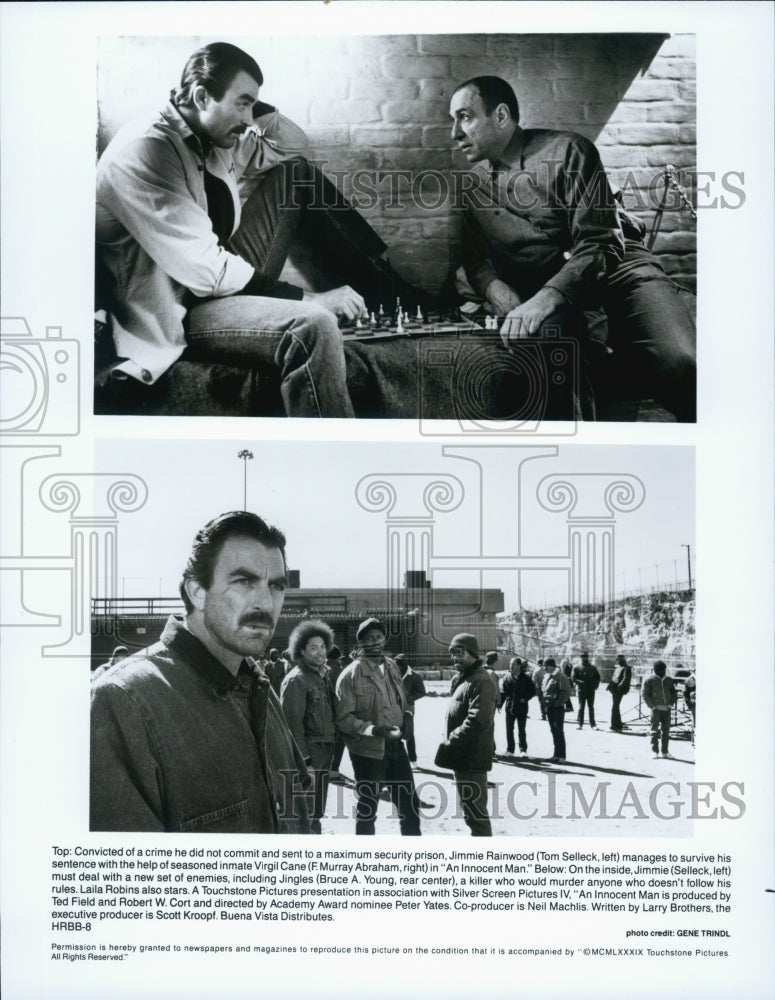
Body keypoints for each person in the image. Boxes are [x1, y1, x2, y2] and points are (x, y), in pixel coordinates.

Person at [96, 42, 430, 417]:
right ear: (202, 96)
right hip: (180, 305)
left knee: (295, 174)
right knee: (314, 324)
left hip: (215, 279)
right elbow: (207, 271)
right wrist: (310, 298)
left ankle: (389, 287)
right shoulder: (146, 150)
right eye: (242, 102)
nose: (250, 119)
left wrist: (250, 110)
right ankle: (335, 462)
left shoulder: (214, 139)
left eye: (253, 104)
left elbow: (292, 142)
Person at [449, 76, 696, 422]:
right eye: (453, 121)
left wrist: (542, 300)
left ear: (501, 115)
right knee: (550, 366)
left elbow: (600, 242)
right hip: (551, 293)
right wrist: (494, 287)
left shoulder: (569, 150)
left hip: (620, 271)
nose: (455, 133)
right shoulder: (471, 186)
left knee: (681, 363)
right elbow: (474, 260)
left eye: (464, 117)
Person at [90, 511, 311, 832]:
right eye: (244, 581)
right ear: (197, 592)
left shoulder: (260, 689)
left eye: (276, 586)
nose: (265, 602)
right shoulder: (123, 701)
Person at [334, 618, 421, 835]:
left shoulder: (392, 666)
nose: (375, 642)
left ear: (384, 640)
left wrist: (408, 716)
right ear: (361, 643)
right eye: (369, 638)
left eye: (379, 637)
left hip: (395, 748)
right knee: (367, 810)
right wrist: (373, 730)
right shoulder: (350, 675)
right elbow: (343, 718)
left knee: (410, 806)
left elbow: (406, 699)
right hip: (367, 753)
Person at [280, 620, 338, 834]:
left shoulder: (322, 675)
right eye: (313, 648)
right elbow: (291, 726)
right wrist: (306, 763)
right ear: (301, 651)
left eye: (323, 646)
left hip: (325, 752)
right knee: (306, 813)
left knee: (317, 811)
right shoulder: (297, 680)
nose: (320, 652)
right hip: (309, 757)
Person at [438, 634, 496, 836]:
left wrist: (450, 740)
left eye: (459, 653)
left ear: (472, 653)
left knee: (475, 815)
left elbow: (477, 721)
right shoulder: (465, 679)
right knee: (470, 811)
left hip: (471, 758)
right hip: (462, 757)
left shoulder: (481, 681)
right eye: (452, 653)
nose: (454, 658)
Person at [394, 653, 427, 763]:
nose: (395, 668)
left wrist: (410, 698)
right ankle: (397, 761)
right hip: (394, 708)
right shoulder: (392, 675)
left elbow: (422, 692)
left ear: (403, 666)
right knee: (395, 732)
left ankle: (413, 760)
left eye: (397, 666)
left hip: (408, 709)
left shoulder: (415, 677)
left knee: (409, 733)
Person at [642, 659, 678, 759]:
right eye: (660, 670)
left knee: (666, 731)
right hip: (656, 710)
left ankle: (665, 752)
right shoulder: (649, 680)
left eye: (664, 670)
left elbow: (674, 694)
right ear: (656, 670)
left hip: (667, 710)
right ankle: (654, 751)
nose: (663, 672)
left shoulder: (669, 680)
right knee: (654, 730)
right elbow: (644, 694)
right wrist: (652, 706)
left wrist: (670, 705)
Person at [501, 657, 536, 756]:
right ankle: (510, 750)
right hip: (509, 707)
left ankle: (523, 750)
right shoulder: (506, 677)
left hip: (521, 707)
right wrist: (499, 704)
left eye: (513, 664)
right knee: (509, 730)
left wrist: (525, 698)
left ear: (519, 665)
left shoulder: (526, 678)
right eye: (510, 664)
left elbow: (532, 691)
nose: (510, 666)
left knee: (521, 730)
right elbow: (503, 692)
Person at [542, 657, 572, 763]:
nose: (544, 668)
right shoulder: (547, 677)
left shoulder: (561, 677)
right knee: (553, 731)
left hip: (557, 708)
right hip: (549, 708)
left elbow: (566, 692)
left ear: (551, 666)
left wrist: (556, 703)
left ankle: (562, 756)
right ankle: (556, 755)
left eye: (546, 666)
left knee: (559, 731)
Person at [572, 650, 601, 729]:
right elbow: (573, 678)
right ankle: (580, 724)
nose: (584, 658)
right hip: (581, 690)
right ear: (581, 657)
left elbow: (597, 677)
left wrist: (595, 686)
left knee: (591, 707)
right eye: (582, 656)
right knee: (581, 707)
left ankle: (593, 724)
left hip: (591, 690)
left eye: (585, 656)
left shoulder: (592, 667)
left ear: (588, 657)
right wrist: (579, 682)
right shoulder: (577, 667)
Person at [607, 653, 632, 732]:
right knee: (616, 707)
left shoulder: (626, 668)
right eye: (617, 660)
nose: (618, 661)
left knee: (615, 707)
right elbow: (614, 677)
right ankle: (618, 725)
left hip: (619, 690)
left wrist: (618, 687)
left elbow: (625, 679)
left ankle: (615, 726)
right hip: (614, 689)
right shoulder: (619, 668)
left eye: (619, 660)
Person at [683, 668, 696, 746]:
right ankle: (694, 741)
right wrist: (689, 705)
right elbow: (685, 693)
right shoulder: (690, 680)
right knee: (695, 723)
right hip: (695, 704)